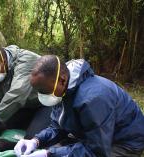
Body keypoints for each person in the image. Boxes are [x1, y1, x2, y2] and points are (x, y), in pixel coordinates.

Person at [14, 55, 144, 157]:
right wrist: (35, 141)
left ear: (62, 80)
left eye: (44, 92)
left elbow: (97, 151)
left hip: (124, 143)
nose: (42, 96)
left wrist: (49, 154)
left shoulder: (92, 99)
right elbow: (57, 126)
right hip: (95, 136)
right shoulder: (62, 89)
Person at [0, 45, 52, 139]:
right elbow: (0, 98)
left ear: (3, 62)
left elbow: (17, 94)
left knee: (32, 138)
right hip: (26, 105)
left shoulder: (26, 60)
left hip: (45, 104)